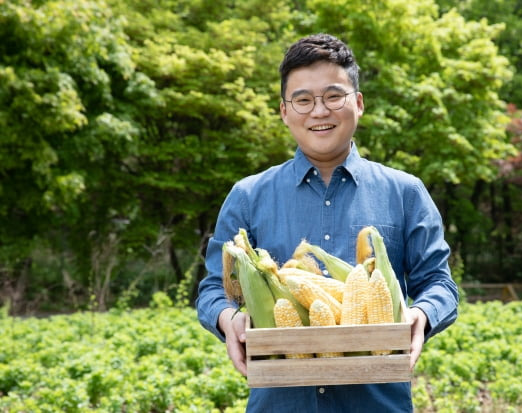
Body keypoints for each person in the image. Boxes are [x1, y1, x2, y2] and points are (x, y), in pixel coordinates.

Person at [196, 33, 458, 413]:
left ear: (359, 103)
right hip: (280, 402)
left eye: (333, 96)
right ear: (285, 111)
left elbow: (439, 282)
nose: (318, 111)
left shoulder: (405, 192)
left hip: (378, 402)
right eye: (302, 100)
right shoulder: (248, 196)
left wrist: (421, 314)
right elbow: (213, 289)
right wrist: (227, 318)